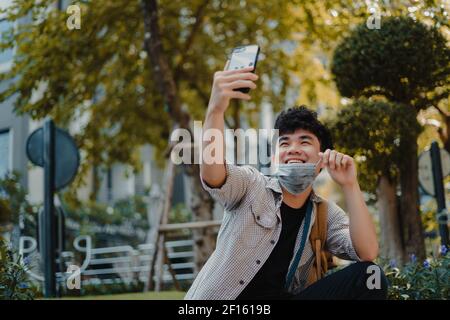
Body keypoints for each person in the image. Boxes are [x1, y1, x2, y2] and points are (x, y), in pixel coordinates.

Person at [184, 64, 388, 300]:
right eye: (284, 143)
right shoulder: (252, 185)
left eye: (304, 142)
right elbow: (213, 174)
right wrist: (216, 110)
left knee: (370, 276)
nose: (293, 149)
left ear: (322, 158)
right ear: (274, 158)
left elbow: (368, 251)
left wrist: (350, 185)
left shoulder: (325, 214)